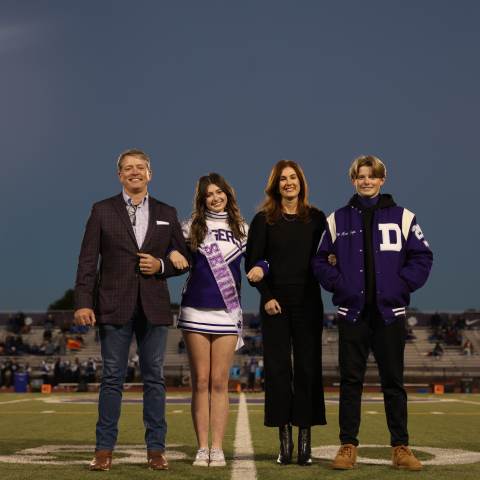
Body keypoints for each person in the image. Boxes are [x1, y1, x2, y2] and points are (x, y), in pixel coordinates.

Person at [312, 155, 433, 471]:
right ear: (353, 180)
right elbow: (320, 261)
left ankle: (400, 447)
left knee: (393, 382)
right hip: (352, 313)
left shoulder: (404, 217)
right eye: (360, 176)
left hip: (389, 313)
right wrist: (342, 287)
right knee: (350, 381)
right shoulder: (337, 219)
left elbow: (422, 257)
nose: (366, 181)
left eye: (372, 176)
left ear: (382, 179)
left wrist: (400, 286)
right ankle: (347, 445)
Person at [74, 149, 189, 471]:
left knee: (155, 379)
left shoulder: (167, 211)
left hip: (154, 305)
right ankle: (103, 450)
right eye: (128, 168)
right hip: (113, 305)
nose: (134, 171)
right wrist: (83, 301)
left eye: (140, 167)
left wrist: (162, 264)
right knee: (112, 379)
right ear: (120, 175)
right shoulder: (102, 210)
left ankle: (156, 450)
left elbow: (183, 259)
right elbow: (87, 260)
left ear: (150, 173)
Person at [174, 173, 265, 467]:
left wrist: (262, 267)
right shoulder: (190, 227)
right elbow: (169, 248)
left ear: (228, 194)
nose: (215, 198)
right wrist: (173, 252)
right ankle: (202, 447)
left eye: (219, 192)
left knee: (219, 382)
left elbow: (262, 257)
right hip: (195, 309)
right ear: (202, 199)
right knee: (200, 381)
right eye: (209, 194)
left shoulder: (242, 229)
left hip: (227, 311)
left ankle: (217, 447)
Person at [245, 160, 327, 466]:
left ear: (301, 182)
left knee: (307, 369)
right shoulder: (263, 220)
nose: (289, 183)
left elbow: (326, 258)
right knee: (279, 370)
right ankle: (285, 440)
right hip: (274, 304)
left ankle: (305, 437)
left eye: (293, 178)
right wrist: (267, 296)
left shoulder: (317, 218)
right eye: (283, 179)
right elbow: (253, 263)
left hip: (309, 303)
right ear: (275, 186)